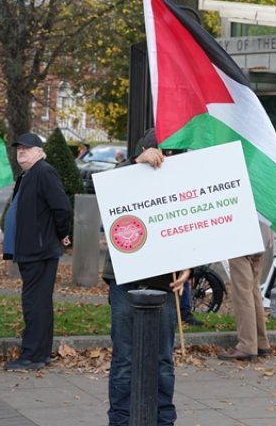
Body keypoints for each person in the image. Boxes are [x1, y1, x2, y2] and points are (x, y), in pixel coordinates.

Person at [103, 133, 189, 426]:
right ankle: (121, 420)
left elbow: (194, 227)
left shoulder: (180, 180)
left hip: (165, 281)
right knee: (125, 358)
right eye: (159, 151)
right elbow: (109, 191)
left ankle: (164, 420)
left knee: (163, 359)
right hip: (126, 279)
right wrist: (134, 164)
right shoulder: (128, 173)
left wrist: (190, 267)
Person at [3, 132, 73, 371]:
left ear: (39, 151)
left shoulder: (44, 172)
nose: (21, 151)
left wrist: (63, 233)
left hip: (40, 250)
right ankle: (39, 354)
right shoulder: (29, 174)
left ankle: (32, 356)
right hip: (33, 249)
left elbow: (62, 207)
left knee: (35, 304)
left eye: (27, 147)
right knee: (38, 303)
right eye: (18, 147)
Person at [218, 220, 273, 361]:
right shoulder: (264, 197)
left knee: (243, 293)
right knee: (254, 291)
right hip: (263, 237)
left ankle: (247, 345)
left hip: (242, 238)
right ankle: (261, 342)